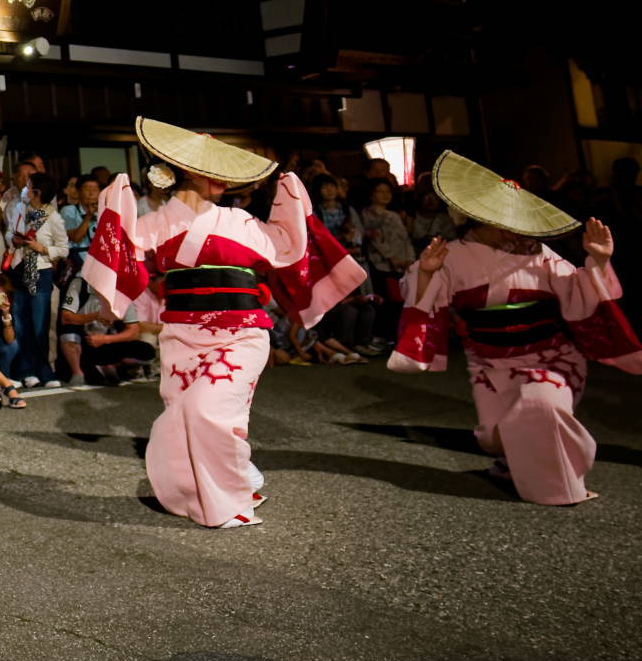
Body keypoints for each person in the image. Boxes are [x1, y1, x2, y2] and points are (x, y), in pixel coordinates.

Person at [81, 118, 366, 529]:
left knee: (208, 410)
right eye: (208, 170)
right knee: (185, 418)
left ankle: (229, 498)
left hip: (242, 334)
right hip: (182, 337)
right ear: (181, 171)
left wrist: (292, 200)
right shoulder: (154, 224)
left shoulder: (241, 222)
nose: (219, 179)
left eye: (222, 172)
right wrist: (116, 206)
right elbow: (121, 262)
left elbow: (291, 250)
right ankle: (237, 481)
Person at [388, 151, 638, 505]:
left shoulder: (539, 252)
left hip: (549, 356)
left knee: (542, 406)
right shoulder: (455, 254)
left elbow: (578, 295)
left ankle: (561, 488)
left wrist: (597, 260)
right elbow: (418, 296)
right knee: (496, 432)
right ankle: (517, 465)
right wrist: (428, 271)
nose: (509, 227)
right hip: (488, 359)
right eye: (499, 219)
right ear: (478, 218)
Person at [6, 173, 69, 389]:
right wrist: (13, 239)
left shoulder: (53, 217)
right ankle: (25, 370)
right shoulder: (20, 210)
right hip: (19, 269)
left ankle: (44, 370)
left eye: (28, 186)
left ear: (37, 192)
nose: (25, 189)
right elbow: (9, 233)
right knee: (20, 323)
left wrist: (42, 248)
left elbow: (63, 249)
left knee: (39, 324)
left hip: (41, 272)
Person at [57, 275, 157, 386]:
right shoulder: (80, 284)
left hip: (106, 342)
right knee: (68, 331)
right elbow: (66, 317)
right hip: (83, 343)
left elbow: (133, 331)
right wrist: (95, 316)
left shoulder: (121, 293)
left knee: (148, 351)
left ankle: (111, 365)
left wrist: (105, 339)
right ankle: (77, 372)